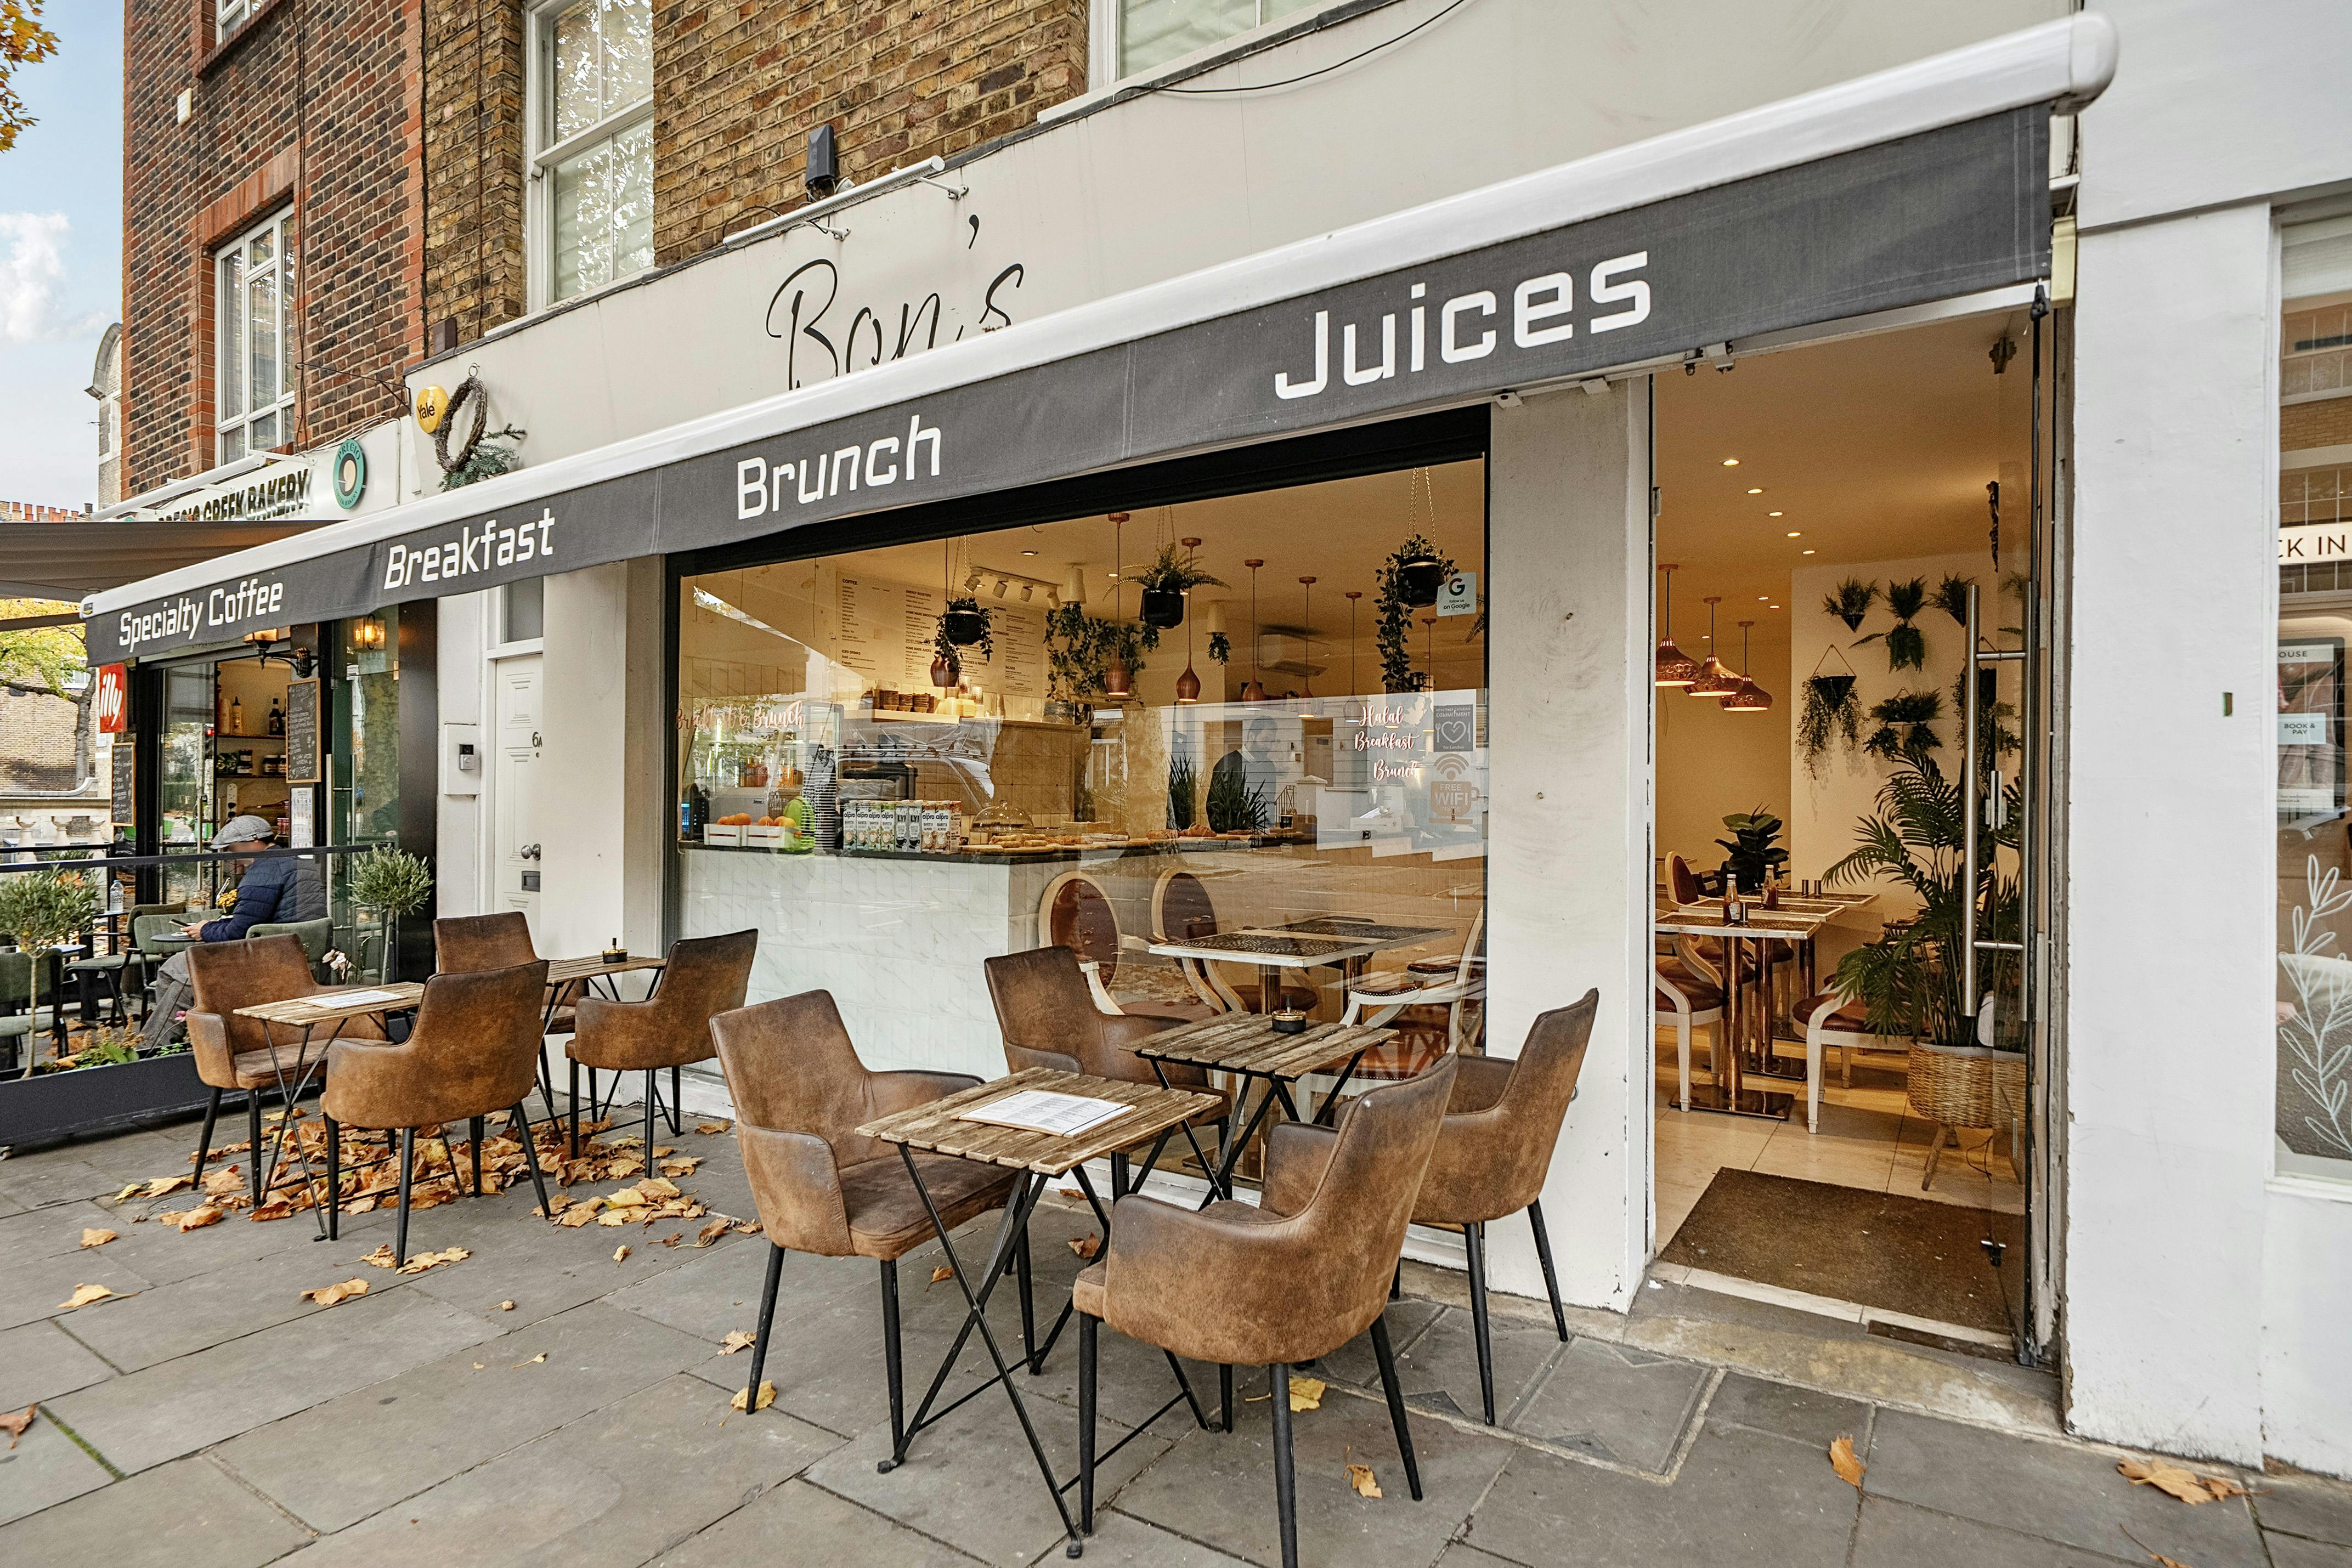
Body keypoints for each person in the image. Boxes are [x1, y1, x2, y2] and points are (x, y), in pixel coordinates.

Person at [140, 816, 327, 1045]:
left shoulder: (263, 873)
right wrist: (211, 926)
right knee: (174, 967)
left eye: (233, 847)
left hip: (268, 958)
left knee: (184, 972)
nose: (231, 854)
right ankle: (188, 1039)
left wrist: (205, 930)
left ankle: (159, 1046)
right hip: (296, 954)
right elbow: (257, 921)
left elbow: (238, 933)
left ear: (255, 841)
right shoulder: (299, 863)